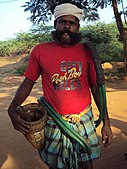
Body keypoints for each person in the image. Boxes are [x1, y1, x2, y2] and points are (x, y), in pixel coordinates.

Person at [8, 2, 113, 169]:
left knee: (86, 165)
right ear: (55, 23)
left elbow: (96, 88)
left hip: (83, 119)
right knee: (56, 165)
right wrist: (12, 108)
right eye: (62, 22)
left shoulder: (87, 52)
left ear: (78, 26)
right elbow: (28, 82)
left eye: (72, 23)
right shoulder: (40, 51)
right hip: (54, 121)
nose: (66, 26)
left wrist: (106, 123)